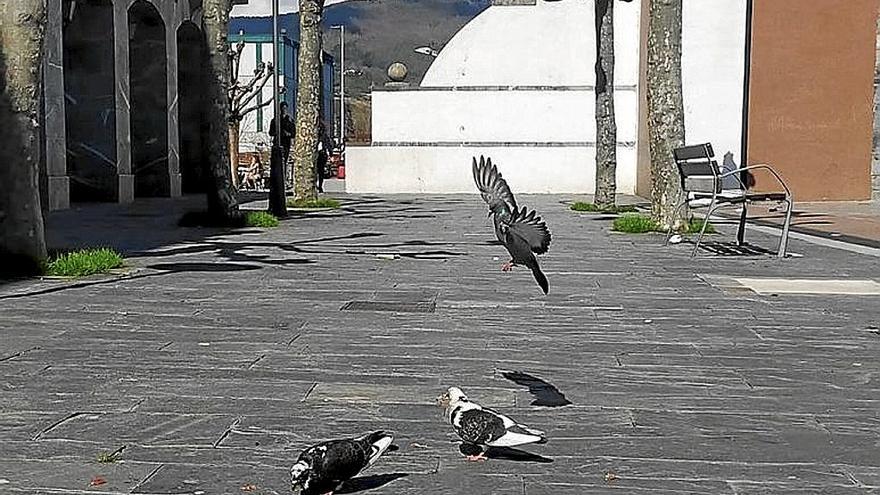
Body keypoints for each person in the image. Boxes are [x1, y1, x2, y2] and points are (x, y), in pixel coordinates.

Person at [268, 101, 295, 169]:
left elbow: (293, 134)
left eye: (285, 108)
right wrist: (277, 133)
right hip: (277, 143)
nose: (284, 110)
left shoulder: (290, 120)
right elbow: (271, 132)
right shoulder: (275, 120)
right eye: (282, 108)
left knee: (284, 161)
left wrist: (287, 134)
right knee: (277, 163)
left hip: (286, 143)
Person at [316, 118, 333, 193]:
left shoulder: (324, 136)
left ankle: (320, 186)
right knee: (316, 171)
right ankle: (317, 185)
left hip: (322, 154)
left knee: (321, 171)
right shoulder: (314, 136)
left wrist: (330, 153)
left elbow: (328, 145)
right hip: (316, 153)